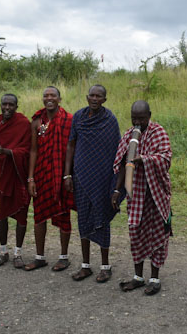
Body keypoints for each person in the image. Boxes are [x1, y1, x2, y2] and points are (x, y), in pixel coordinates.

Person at [111, 100, 172, 295]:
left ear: (149, 115)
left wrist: (144, 158)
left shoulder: (158, 132)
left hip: (156, 194)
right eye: (134, 118)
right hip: (135, 194)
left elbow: (165, 158)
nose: (137, 122)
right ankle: (138, 277)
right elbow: (121, 164)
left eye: (141, 118)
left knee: (157, 234)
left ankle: (154, 278)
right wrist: (117, 190)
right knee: (135, 233)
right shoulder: (129, 135)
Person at [64, 85, 120, 282]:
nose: (95, 99)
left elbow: (117, 152)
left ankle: (105, 266)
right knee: (83, 220)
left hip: (102, 178)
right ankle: (85, 265)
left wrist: (115, 184)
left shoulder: (110, 120)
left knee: (102, 217)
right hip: (80, 175)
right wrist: (67, 175)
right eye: (92, 95)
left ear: (105, 99)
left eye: (99, 96)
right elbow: (71, 145)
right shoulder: (78, 117)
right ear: (87, 97)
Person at [25, 86, 75, 272]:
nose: (49, 98)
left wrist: (69, 175)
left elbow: (72, 148)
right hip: (42, 173)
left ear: (59, 99)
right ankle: (39, 257)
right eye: (45, 95)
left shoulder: (69, 120)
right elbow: (33, 150)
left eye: (53, 95)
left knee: (63, 213)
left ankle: (63, 257)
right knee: (39, 215)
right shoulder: (37, 122)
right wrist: (30, 178)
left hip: (62, 174)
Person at [0, 93, 31, 269]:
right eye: (4, 104)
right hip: (2, 175)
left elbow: (27, 150)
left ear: (16, 106)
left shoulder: (24, 124)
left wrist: (7, 151)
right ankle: (3, 251)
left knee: (21, 214)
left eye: (11, 105)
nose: (7, 108)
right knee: (1, 213)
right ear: (0, 105)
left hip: (19, 174)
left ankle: (18, 253)